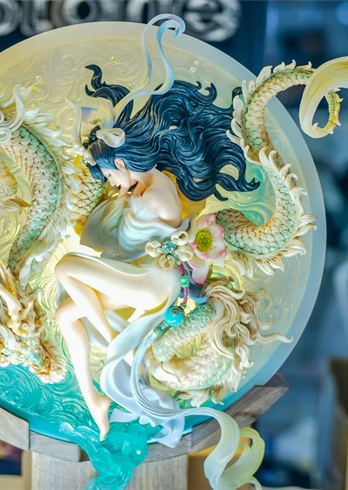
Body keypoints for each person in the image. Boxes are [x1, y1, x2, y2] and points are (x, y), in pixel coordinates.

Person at [54, 65, 258, 441]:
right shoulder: (149, 186)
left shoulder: (155, 197)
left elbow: (126, 243)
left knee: (66, 267)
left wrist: (119, 203)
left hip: (154, 281)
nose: (112, 184)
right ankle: (94, 400)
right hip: (143, 278)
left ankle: (120, 349)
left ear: (121, 163)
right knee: (65, 315)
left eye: (110, 176)